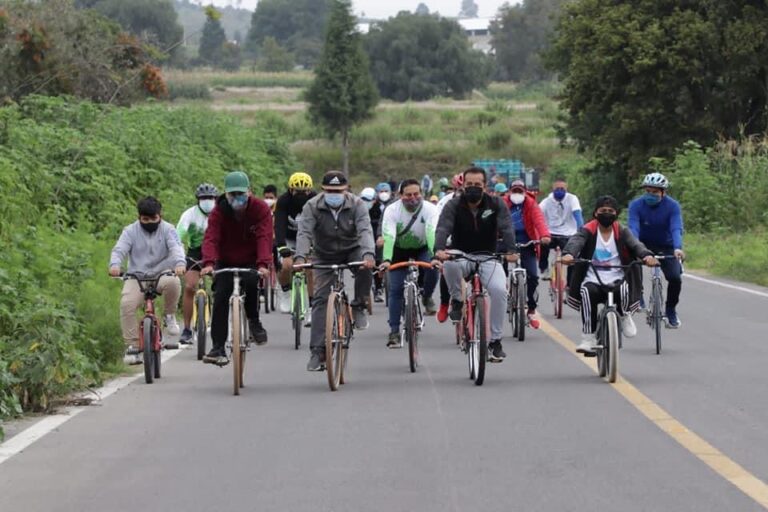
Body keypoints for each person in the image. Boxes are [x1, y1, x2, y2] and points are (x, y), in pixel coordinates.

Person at [433, 167, 518, 362]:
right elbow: (443, 226)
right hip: (460, 254)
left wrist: (512, 250)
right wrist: (439, 249)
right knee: (449, 265)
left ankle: (495, 341)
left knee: (499, 291)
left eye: (477, 185)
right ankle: (457, 299)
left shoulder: (495, 204)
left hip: (488, 256)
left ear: (485, 186)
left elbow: (506, 226)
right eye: (469, 185)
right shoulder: (454, 205)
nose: (473, 188)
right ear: (463, 186)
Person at [293, 171, 376, 372]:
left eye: (338, 191)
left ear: (346, 190)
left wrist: (368, 255)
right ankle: (317, 351)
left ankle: (359, 305)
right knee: (321, 299)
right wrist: (300, 257)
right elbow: (304, 232)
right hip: (324, 253)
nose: (334, 194)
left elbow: (365, 230)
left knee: (365, 271)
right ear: (323, 190)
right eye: (330, 191)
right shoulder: (312, 206)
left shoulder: (358, 205)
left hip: (352, 250)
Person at [562, 196, 657, 355]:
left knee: (625, 288)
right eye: (603, 211)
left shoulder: (622, 231)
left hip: (617, 278)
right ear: (595, 213)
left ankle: (625, 315)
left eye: (610, 211)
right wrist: (568, 254)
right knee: (586, 292)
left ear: (616, 214)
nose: (606, 214)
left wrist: (646, 256)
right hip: (593, 280)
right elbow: (576, 241)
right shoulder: (588, 230)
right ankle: (588, 337)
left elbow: (636, 245)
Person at [200, 171, 273, 366]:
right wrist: (208, 262)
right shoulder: (218, 211)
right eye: (232, 194)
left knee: (251, 283)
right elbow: (211, 237)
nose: (237, 198)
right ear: (225, 194)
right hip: (225, 260)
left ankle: (254, 321)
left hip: (251, 259)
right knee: (221, 296)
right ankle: (217, 347)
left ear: (249, 192)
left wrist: (263, 264)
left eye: (241, 193)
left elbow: (264, 237)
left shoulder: (260, 209)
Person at [109, 197, 185, 365]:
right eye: (145, 219)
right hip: (137, 276)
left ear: (160, 216)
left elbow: (176, 248)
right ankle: (132, 347)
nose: (149, 222)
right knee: (126, 304)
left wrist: (180, 264)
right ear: (139, 217)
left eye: (153, 219)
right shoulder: (130, 231)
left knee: (173, 282)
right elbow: (119, 249)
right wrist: (115, 265)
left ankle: (169, 315)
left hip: (162, 273)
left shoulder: (168, 229)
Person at [379, 179, 439, 348]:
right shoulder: (392, 210)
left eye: (416, 194)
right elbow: (389, 236)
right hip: (399, 249)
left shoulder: (430, 209)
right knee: (396, 289)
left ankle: (427, 296)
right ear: (400, 195)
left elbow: (431, 232)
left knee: (433, 269)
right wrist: (386, 260)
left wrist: (434, 256)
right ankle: (394, 331)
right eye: (408, 195)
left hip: (423, 246)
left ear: (422, 194)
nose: (413, 198)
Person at [628, 172, 685, 328]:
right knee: (631, 262)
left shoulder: (672, 206)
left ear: (663, 192)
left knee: (675, 278)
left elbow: (676, 227)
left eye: (655, 192)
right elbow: (633, 227)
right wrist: (635, 246)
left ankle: (671, 309)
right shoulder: (636, 205)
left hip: (666, 246)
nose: (651, 195)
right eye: (648, 191)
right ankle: (638, 294)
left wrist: (677, 248)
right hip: (643, 244)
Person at [501, 180, 551, 329]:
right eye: (514, 191)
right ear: (509, 192)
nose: (517, 194)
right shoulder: (502, 203)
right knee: (499, 272)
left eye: (519, 191)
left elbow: (539, 220)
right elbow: (495, 220)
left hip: (527, 242)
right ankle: (505, 292)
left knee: (533, 276)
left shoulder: (530, 203)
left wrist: (544, 235)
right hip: (505, 241)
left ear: (525, 192)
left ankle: (531, 309)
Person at [176, 183, 219, 345]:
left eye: (210, 198)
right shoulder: (190, 214)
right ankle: (187, 329)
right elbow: (177, 235)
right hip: (195, 253)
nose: (207, 201)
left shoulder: (221, 214)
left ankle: (221, 321)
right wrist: (176, 256)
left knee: (221, 286)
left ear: (215, 199)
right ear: (198, 200)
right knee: (189, 287)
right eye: (203, 198)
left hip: (216, 253)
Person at [274, 172, 316, 313]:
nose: (301, 195)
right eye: (297, 192)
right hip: (289, 237)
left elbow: (320, 224)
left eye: (304, 192)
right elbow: (278, 225)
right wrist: (281, 246)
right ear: (290, 190)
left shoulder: (315, 200)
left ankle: (311, 305)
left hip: (309, 237)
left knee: (310, 269)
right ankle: (285, 291)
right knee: (286, 265)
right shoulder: (283, 200)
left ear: (309, 190)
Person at [538, 178, 583, 280]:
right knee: (543, 244)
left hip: (568, 234)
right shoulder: (546, 201)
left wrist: (581, 230)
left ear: (566, 189)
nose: (560, 190)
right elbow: (538, 215)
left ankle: (570, 283)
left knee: (572, 257)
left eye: (562, 188)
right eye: (557, 188)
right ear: (553, 189)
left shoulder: (572, 199)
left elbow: (577, 214)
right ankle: (543, 268)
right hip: (550, 233)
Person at [435, 173, 463, 322]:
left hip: (472, 244)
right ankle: (445, 304)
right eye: (460, 189)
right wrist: (440, 246)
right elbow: (438, 225)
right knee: (445, 269)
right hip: (450, 241)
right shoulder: (444, 202)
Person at [372, 182, 395, 302]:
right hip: (375, 234)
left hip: (391, 234)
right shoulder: (372, 205)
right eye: (381, 192)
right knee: (376, 260)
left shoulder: (394, 205)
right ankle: (378, 288)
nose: (384, 194)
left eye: (386, 191)